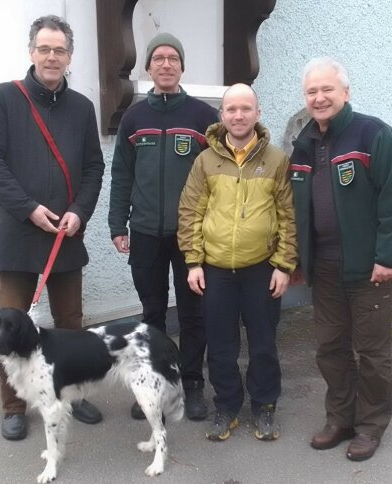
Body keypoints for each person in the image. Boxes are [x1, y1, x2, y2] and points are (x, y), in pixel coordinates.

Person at [0, 15, 105, 441]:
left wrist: (80, 211)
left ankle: (73, 392)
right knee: (8, 329)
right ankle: (14, 405)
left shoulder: (83, 108)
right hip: (16, 234)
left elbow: (93, 168)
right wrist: (28, 207)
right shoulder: (4, 98)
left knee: (71, 324)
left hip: (64, 237)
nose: (52, 57)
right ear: (31, 52)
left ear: (70, 56)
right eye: (44, 49)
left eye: (60, 50)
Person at [290, 57, 392, 461]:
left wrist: (387, 256)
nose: (320, 97)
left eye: (327, 89)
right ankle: (340, 418)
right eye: (312, 92)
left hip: (368, 268)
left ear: (346, 92)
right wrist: (296, 261)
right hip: (323, 268)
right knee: (330, 347)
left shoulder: (373, 134)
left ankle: (370, 426)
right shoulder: (303, 144)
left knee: (372, 352)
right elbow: (296, 209)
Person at [178, 83, 298, 441]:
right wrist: (193, 261)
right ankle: (227, 406)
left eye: (246, 109)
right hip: (215, 270)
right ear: (222, 115)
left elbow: (288, 216)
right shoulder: (205, 160)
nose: (238, 115)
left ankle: (264, 406)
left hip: (261, 268)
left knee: (263, 343)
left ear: (257, 114)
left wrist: (284, 265)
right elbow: (190, 212)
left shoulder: (276, 160)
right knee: (220, 344)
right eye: (231, 109)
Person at [108, 33, 219, 421]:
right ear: (149, 67)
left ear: (182, 66)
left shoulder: (204, 117)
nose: (166, 64)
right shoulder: (134, 119)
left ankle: (191, 384)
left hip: (191, 236)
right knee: (151, 312)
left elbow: (219, 175)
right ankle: (155, 384)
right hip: (144, 233)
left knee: (192, 314)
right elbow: (121, 173)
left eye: (174, 57)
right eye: (159, 58)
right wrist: (116, 223)